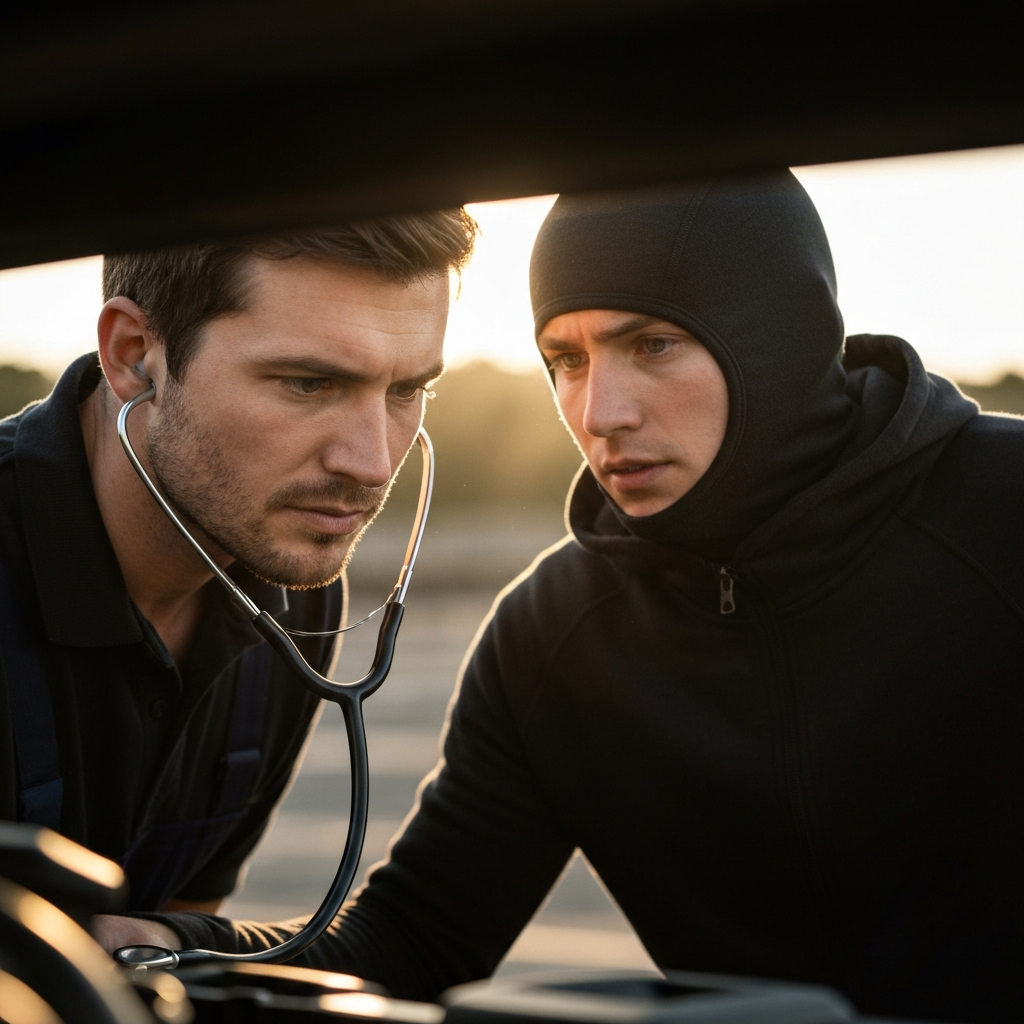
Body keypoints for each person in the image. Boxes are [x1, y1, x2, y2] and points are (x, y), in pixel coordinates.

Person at [114, 175, 1024, 1024]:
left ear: (773, 335)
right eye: (566, 359)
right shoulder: (554, 632)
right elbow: (414, 939)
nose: (600, 411)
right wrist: (176, 948)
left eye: (651, 344)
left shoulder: (1002, 513)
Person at [0, 210, 477, 951]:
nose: (373, 463)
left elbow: (174, 939)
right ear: (134, 356)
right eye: (309, 383)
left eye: (405, 391)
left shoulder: (297, 596)